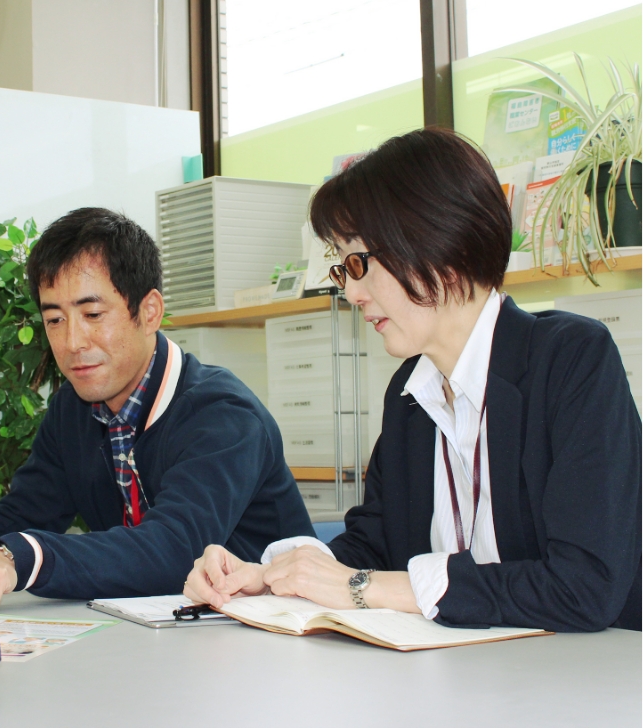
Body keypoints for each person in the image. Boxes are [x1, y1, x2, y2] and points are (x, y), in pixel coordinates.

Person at [184, 128, 642, 632]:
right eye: (343, 269)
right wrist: (269, 576)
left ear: (440, 246)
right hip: (465, 679)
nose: (352, 292)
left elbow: (584, 588)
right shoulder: (411, 392)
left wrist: (365, 588)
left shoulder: (571, 360)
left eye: (358, 263)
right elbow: (371, 544)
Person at [0, 207, 314, 607]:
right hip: (155, 630)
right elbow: (27, 511)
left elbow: (175, 549)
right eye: (54, 320)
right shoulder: (75, 407)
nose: (72, 342)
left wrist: (26, 557)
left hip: (268, 635)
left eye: (93, 314)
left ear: (149, 311)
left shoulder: (224, 415)